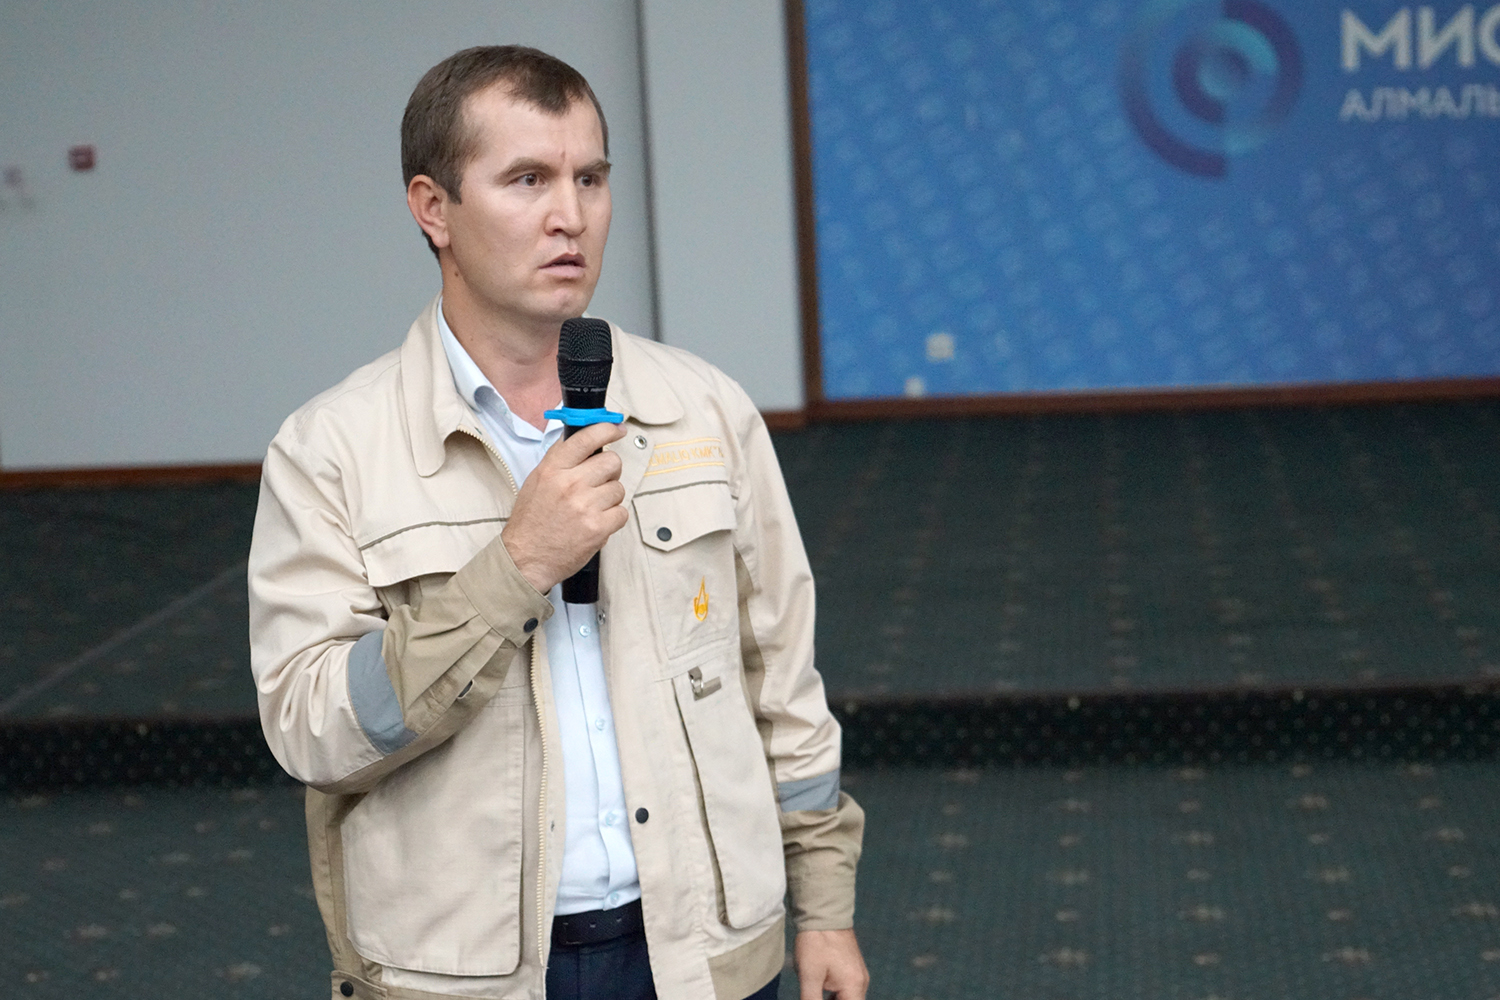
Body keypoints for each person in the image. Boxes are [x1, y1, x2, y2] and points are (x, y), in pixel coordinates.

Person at [247, 45, 868, 1000]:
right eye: (528, 179)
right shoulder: (331, 448)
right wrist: (513, 568)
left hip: (701, 957)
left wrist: (824, 908)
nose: (569, 215)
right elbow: (313, 731)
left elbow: (780, 681)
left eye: (590, 179)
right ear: (433, 208)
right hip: (463, 977)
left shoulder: (704, 410)